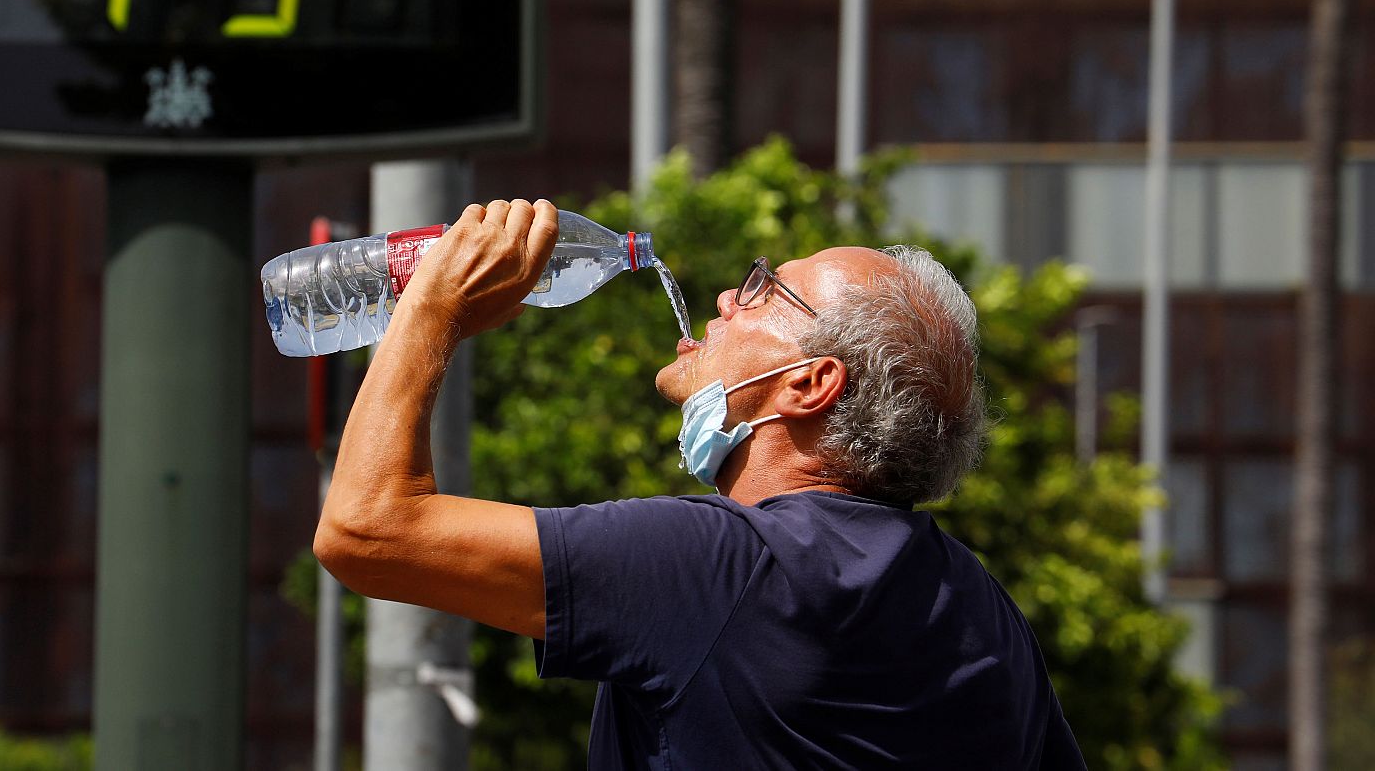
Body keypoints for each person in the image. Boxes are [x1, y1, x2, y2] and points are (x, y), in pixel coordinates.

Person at [314, 198, 1086, 769]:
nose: (725, 298)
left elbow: (366, 529)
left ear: (811, 383)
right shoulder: (983, 610)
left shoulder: (719, 568)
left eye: (763, 290)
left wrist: (433, 308)